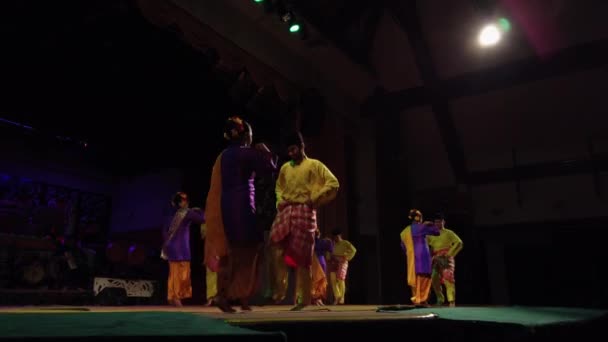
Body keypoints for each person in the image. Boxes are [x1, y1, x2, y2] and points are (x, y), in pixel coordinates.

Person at [204, 116, 276, 312]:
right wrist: (265, 151)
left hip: (227, 208)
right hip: (243, 208)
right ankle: (233, 295)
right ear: (245, 134)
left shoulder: (225, 155)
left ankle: (232, 296)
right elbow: (269, 168)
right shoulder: (246, 153)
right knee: (252, 252)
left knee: (233, 253)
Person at [270, 131, 339, 311]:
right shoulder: (285, 167)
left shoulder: (314, 165)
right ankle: (279, 290)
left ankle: (304, 299)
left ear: (302, 146)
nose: (291, 153)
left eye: (293, 149)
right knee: (275, 243)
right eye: (289, 151)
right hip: (287, 209)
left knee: (304, 258)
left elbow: (333, 183)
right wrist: (279, 201)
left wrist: (314, 198)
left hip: (305, 211)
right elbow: (279, 187)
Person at [161, 192, 205, 307]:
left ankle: (171, 297)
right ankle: (176, 298)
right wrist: (199, 210)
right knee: (181, 274)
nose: (187, 202)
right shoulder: (187, 213)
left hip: (171, 246)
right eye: (185, 200)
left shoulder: (169, 214)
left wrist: (167, 244)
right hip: (181, 248)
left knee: (173, 273)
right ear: (180, 202)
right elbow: (203, 219)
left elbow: (164, 230)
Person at [400, 209, 440, 306]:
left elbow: (403, 246)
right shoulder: (421, 227)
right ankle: (422, 300)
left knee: (415, 278)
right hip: (422, 257)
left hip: (412, 259)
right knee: (424, 277)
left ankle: (416, 299)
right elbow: (437, 232)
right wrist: (429, 224)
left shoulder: (404, 232)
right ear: (418, 217)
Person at [427, 213, 463, 307]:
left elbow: (459, 243)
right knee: (434, 277)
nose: (438, 223)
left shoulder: (449, 233)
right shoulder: (431, 234)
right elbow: (427, 245)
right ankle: (440, 299)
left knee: (448, 277)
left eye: (440, 221)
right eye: (436, 222)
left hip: (446, 257)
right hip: (435, 258)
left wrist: (450, 254)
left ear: (443, 222)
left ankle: (451, 300)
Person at [328, 229, 356, 305]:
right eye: (334, 237)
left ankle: (341, 297)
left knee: (340, 279)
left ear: (340, 236)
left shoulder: (345, 243)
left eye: (336, 237)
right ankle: (337, 297)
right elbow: (329, 253)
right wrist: (329, 258)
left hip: (342, 262)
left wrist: (346, 257)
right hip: (334, 262)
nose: (335, 238)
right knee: (333, 280)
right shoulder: (333, 244)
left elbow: (353, 250)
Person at [311, 229, 333, 305]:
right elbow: (331, 249)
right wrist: (329, 241)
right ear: (319, 234)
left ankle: (316, 299)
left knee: (316, 280)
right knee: (320, 281)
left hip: (314, 261)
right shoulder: (322, 242)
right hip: (320, 261)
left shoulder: (310, 243)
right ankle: (317, 299)